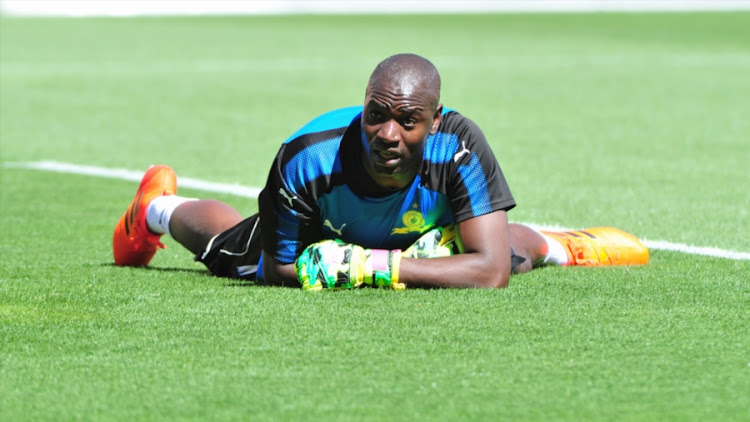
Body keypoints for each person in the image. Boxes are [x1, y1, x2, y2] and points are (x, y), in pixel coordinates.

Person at [112, 53, 649, 290]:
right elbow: (278, 271)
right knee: (229, 252)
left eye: (408, 122)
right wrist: (329, 263)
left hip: (402, 237)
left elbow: (490, 273)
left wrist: (374, 266)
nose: (388, 135)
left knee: (499, 248)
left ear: (434, 123)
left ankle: (564, 246)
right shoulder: (307, 158)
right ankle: (156, 210)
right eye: (377, 115)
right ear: (363, 106)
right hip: (319, 233)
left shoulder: (460, 145)